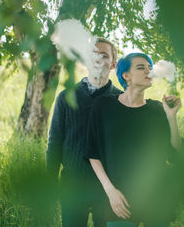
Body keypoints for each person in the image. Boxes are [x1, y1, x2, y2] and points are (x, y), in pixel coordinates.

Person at [84, 53, 182, 227]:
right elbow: (93, 153)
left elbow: (175, 151)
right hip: (120, 199)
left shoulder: (158, 110)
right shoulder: (103, 105)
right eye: (141, 67)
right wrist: (110, 191)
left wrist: (171, 117)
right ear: (125, 75)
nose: (148, 71)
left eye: (149, 68)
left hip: (156, 198)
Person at [46, 38, 122, 227]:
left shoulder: (120, 100)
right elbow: (55, 142)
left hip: (107, 189)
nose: (97, 59)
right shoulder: (66, 97)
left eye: (104, 55)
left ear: (113, 64)